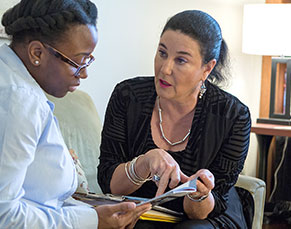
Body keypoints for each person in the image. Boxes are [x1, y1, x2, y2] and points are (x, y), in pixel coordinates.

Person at [0, 0, 151, 228]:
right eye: (79, 62)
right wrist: (93, 221)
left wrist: (91, 215)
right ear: (36, 52)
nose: (84, 74)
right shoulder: (14, 99)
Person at [98, 10, 251, 229]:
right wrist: (143, 164)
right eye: (162, 53)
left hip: (205, 218)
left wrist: (198, 193)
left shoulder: (233, 116)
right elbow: (109, 184)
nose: (165, 68)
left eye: (181, 60)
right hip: (143, 212)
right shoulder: (128, 96)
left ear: (207, 68)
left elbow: (207, 209)